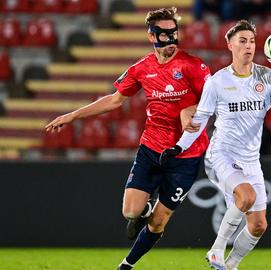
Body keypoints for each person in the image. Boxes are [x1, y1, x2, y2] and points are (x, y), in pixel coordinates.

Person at [44, 7, 211, 270]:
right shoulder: (141, 68)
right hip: (151, 147)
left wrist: (190, 112)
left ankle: (126, 265)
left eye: (173, 33)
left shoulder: (193, 66)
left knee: (158, 222)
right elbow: (114, 100)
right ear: (151, 36)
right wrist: (74, 115)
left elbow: (212, 102)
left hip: (185, 155)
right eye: (164, 34)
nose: (170, 40)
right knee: (131, 212)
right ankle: (143, 212)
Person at [161, 20, 271, 270]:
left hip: (251, 160)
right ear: (229, 45)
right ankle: (216, 249)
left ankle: (231, 265)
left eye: (251, 41)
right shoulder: (217, 82)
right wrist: (179, 147)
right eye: (242, 41)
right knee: (246, 196)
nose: (248, 46)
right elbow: (201, 119)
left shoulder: (268, 77)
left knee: (259, 225)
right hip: (221, 154)